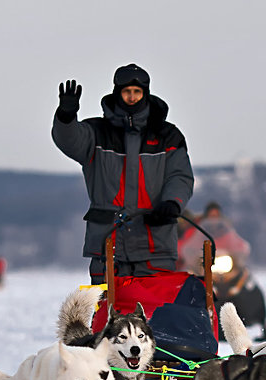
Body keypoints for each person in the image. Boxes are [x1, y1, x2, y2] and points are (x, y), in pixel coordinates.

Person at [52, 64, 194, 284]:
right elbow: (69, 141)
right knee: (107, 313)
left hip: (154, 245)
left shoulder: (168, 136)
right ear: (117, 92)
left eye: (137, 92)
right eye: (126, 91)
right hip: (108, 245)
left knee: (155, 312)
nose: (131, 97)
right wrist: (66, 117)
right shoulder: (96, 133)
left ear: (145, 94)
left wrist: (172, 203)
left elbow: (180, 176)